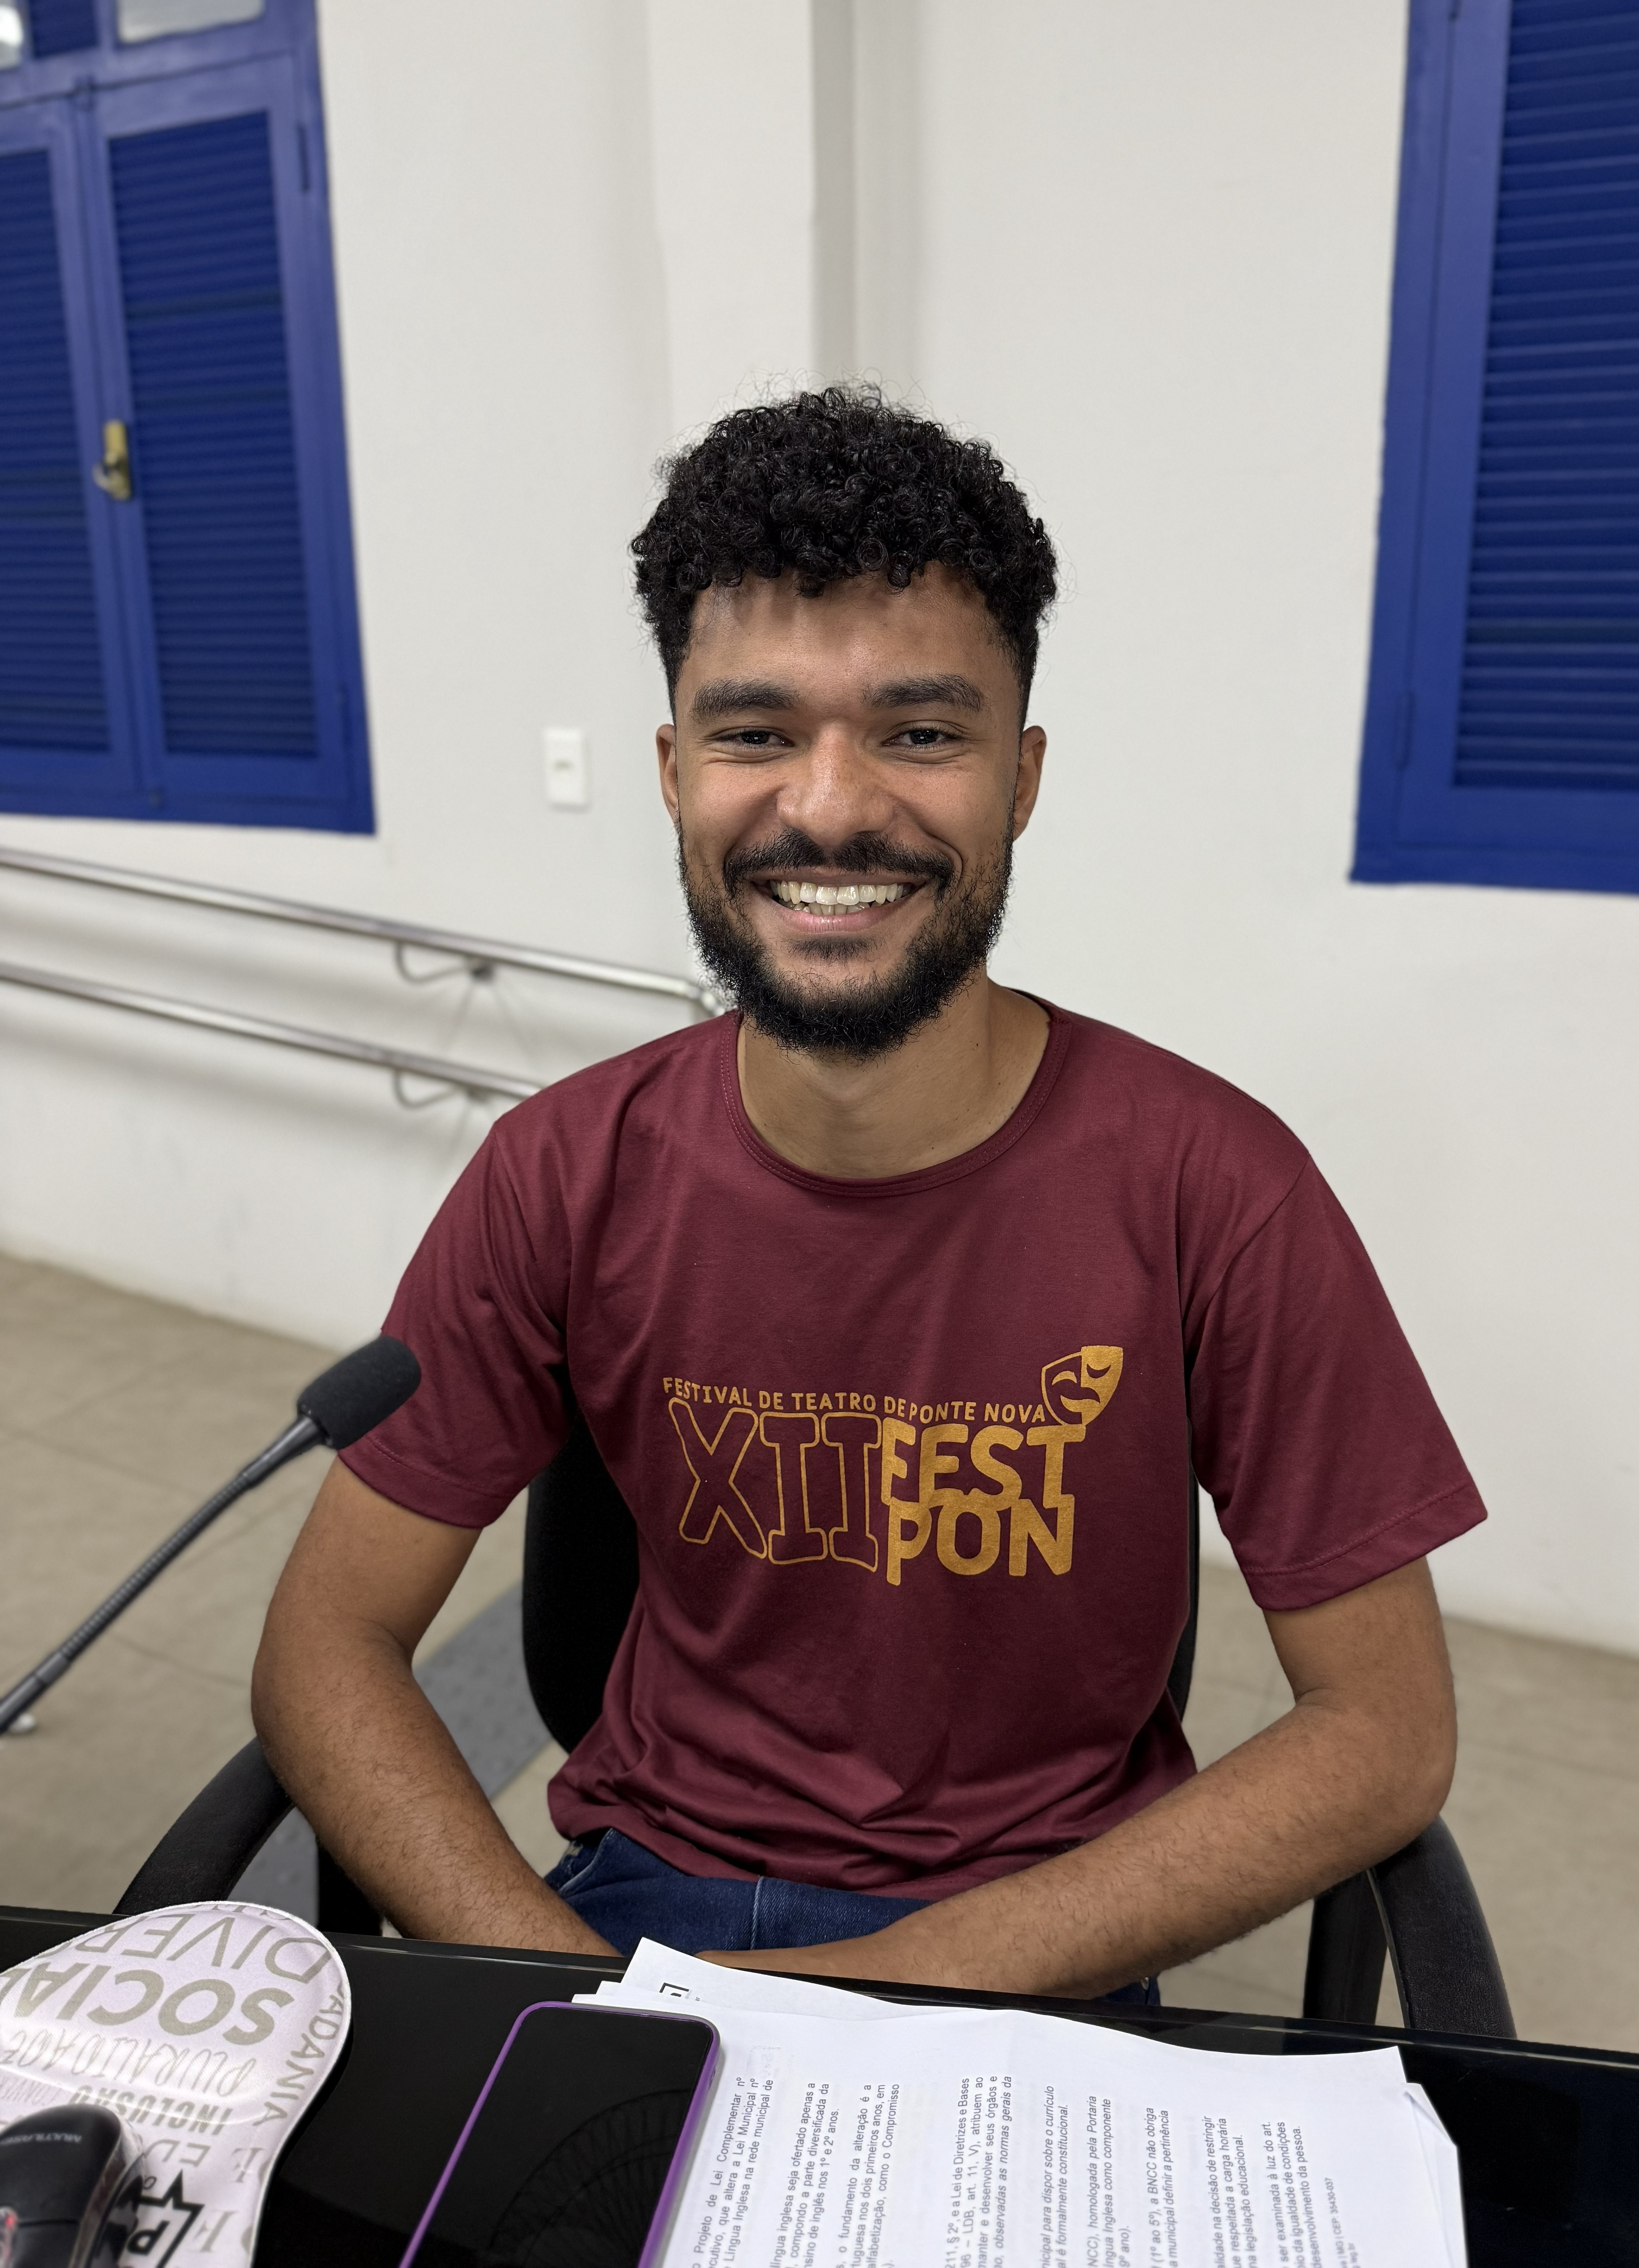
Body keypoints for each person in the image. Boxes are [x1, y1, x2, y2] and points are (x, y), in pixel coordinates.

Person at [252, 387, 1482, 2003]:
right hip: (640, 1915)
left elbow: (1385, 1729)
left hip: (1031, 1936)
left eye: (918, 733)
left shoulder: (1218, 1190)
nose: (829, 807)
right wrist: (579, 2013)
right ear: (674, 768)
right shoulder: (560, 1170)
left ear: (1019, 777)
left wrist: (897, 1988)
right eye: (755, 732)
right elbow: (322, 1643)